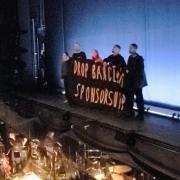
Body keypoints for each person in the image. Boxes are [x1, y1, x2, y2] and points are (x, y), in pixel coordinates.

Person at [127, 43, 148, 120]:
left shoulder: (139, 58)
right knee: (130, 97)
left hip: (137, 82)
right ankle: (130, 112)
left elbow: (140, 70)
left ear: (135, 49)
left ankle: (140, 114)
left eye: (131, 48)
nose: (130, 49)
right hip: (131, 81)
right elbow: (128, 67)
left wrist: (130, 72)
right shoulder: (129, 57)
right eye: (129, 48)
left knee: (139, 98)